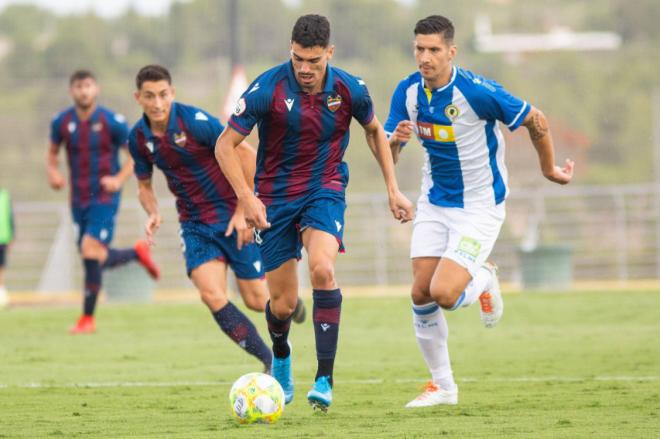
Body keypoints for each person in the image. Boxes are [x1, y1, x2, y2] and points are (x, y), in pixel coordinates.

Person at [216, 14, 414, 411]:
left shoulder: (349, 88)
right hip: (272, 200)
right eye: (298, 59)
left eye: (313, 61)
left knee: (323, 269)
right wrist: (245, 197)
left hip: (325, 189)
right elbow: (225, 145)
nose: (304, 69)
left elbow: (374, 130)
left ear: (329, 53)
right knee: (283, 304)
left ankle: (324, 378)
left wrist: (393, 188)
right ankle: (283, 357)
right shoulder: (267, 88)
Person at [385, 15, 575, 407]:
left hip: (480, 208)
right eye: (419, 48)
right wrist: (394, 143)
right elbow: (389, 150)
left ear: (451, 52)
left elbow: (535, 119)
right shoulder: (406, 92)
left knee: (444, 293)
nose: (425, 57)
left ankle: (485, 278)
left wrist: (548, 170)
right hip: (435, 203)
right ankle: (443, 387)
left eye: (434, 50)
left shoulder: (475, 91)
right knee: (421, 291)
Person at [128, 65, 304, 374]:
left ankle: (289, 302)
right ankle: (269, 361)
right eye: (149, 96)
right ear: (138, 98)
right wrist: (153, 211)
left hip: (232, 215)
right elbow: (143, 186)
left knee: (256, 299)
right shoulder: (138, 138)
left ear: (172, 94)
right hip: (195, 224)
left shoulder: (194, 122)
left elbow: (247, 155)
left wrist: (243, 209)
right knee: (211, 294)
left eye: (163, 95)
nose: (157, 103)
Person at [48, 70, 160, 334]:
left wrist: (119, 180)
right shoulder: (61, 122)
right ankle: (135, 253)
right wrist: (53, 172)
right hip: (77, 200)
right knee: (92, 257)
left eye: (88, 86)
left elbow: (135, 154)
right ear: (71, 91)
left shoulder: (112, 122)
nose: (83, 91)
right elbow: (52, 153)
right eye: (78, 86)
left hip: (104, 198)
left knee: (89, 249)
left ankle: (87, 319)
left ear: (96, 89)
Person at [0, 187, 14, 308]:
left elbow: (10, 216)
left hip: (3, 237)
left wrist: (12, 235)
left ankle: (2, 292)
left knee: (2, 266)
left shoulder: (5, 195)